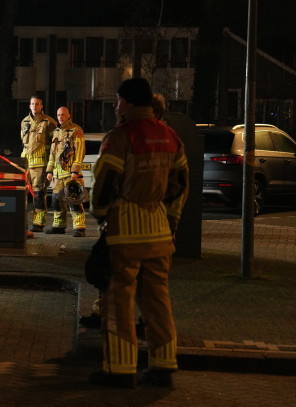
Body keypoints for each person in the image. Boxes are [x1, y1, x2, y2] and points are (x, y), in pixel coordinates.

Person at [88, 77, 189, 388]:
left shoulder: (120, 136)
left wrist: (102, 217)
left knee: (118, 301)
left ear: (127, 102)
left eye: (118, 101)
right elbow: (181, 185)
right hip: (159, 233)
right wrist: (170, 222)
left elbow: (105, 184)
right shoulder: (171, 136)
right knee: (158, 301)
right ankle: (163, 367)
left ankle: (119, 370)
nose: (116, 106)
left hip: (125, 232)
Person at [45, 106, 86, 237]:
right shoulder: (56, 132)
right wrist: (49, 171)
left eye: (63, 114)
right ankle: (59, 226)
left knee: (74, 201)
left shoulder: (76, 130)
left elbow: (79, 153)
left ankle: (79, 228)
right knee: (57, 202)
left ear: (69, 115)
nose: (60, 117)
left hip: (70, 174)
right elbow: (52, 154)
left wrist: (75, 171)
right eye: (58, 115)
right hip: (57, 176)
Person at [20, 96, 57, 232]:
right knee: (22, 194)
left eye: (37, 104)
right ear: (29, 106)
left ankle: (38, 223)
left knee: (39, 194)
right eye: (32, 104)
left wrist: (50, 167)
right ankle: (23, 222)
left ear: (42, 106)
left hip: (41, 164)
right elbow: (24, 144)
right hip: (25, 164)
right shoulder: (24, 122)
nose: (34, 106)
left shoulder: (49, 122)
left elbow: (55, 146)